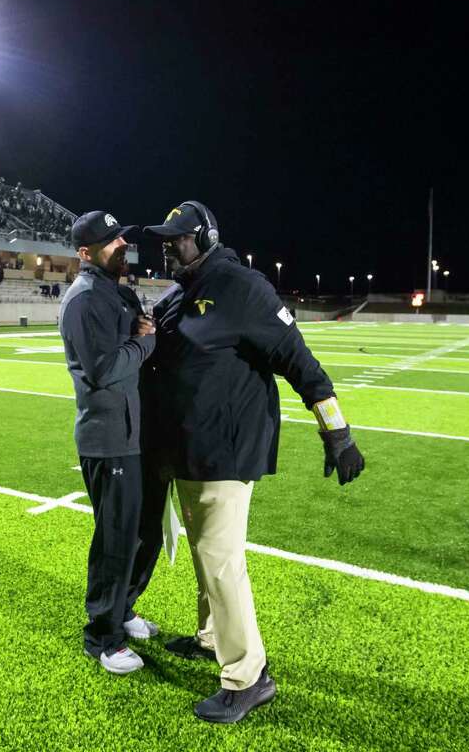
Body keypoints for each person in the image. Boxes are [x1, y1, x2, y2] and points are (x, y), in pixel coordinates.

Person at [139, 201, 366, 723]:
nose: (169, 246)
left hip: (226, 449)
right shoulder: (180, 295)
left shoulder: (243, 287)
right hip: (188, 450)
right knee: (204, 555)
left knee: (220, 562)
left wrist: (338, 431)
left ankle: (248, 676)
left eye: (178, 238)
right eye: (165, 238)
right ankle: (212, 636)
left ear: (207, 238)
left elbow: (300, 361)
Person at [57, 210, 158, 676]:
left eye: (121, 237)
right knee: (115, 538)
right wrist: (144, 345)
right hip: (106, 438)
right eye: (112, 241)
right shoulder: (82, 300)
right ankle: (102, 636)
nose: (122, 245)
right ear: (85, 252)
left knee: (139, 532)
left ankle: (122, 608)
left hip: (130, 432)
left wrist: (138, 337)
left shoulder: (116, 291)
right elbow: (103, 370)